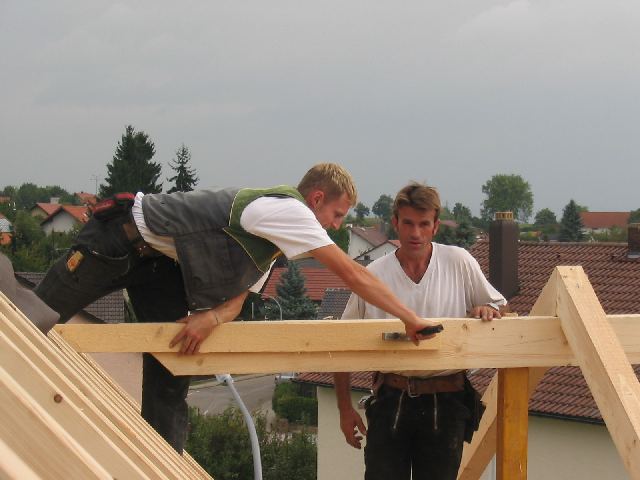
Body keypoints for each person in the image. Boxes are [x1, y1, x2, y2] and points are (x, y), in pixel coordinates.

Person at [34, 163, 439, 453]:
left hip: (161, 265)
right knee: (34, 318)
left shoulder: (272, 240)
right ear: (316, 198)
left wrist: (209, 318)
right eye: (336, 214)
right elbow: (352, 273)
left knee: (174, 364)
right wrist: (410, 318)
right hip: (117, 239)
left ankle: (159, 461)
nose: (335, 226)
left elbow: (237, 300)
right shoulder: (289, 211)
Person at [334, 183, 506, 480]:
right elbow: (341, 344)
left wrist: (487, 309)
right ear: (395, 223)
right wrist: (344, 409)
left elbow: (497, 305)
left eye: (424, 224)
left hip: (446, 401)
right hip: (391, 399)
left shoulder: (459, 263)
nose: (415, 233)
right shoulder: (374, 275)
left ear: (435, 226)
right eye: (408, 223)